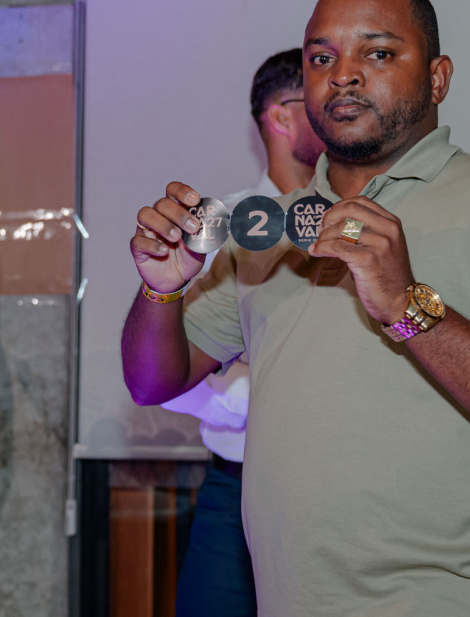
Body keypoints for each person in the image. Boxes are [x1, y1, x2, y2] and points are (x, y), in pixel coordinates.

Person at [123, 0, 470, 615]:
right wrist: (159, 291)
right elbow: (150, 381)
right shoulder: (265, 226)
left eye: (379, 53)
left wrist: (409, 307)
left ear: (438, 78)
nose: (345, 75)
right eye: (322, 58)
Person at [160, 48, 322, 617]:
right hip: (236, 490)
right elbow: (165, 375)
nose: (340, 105)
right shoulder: (218, 224)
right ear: (280, 116)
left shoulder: (361, 220)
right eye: (319, 94)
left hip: (339, 495)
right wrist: (270, 392)